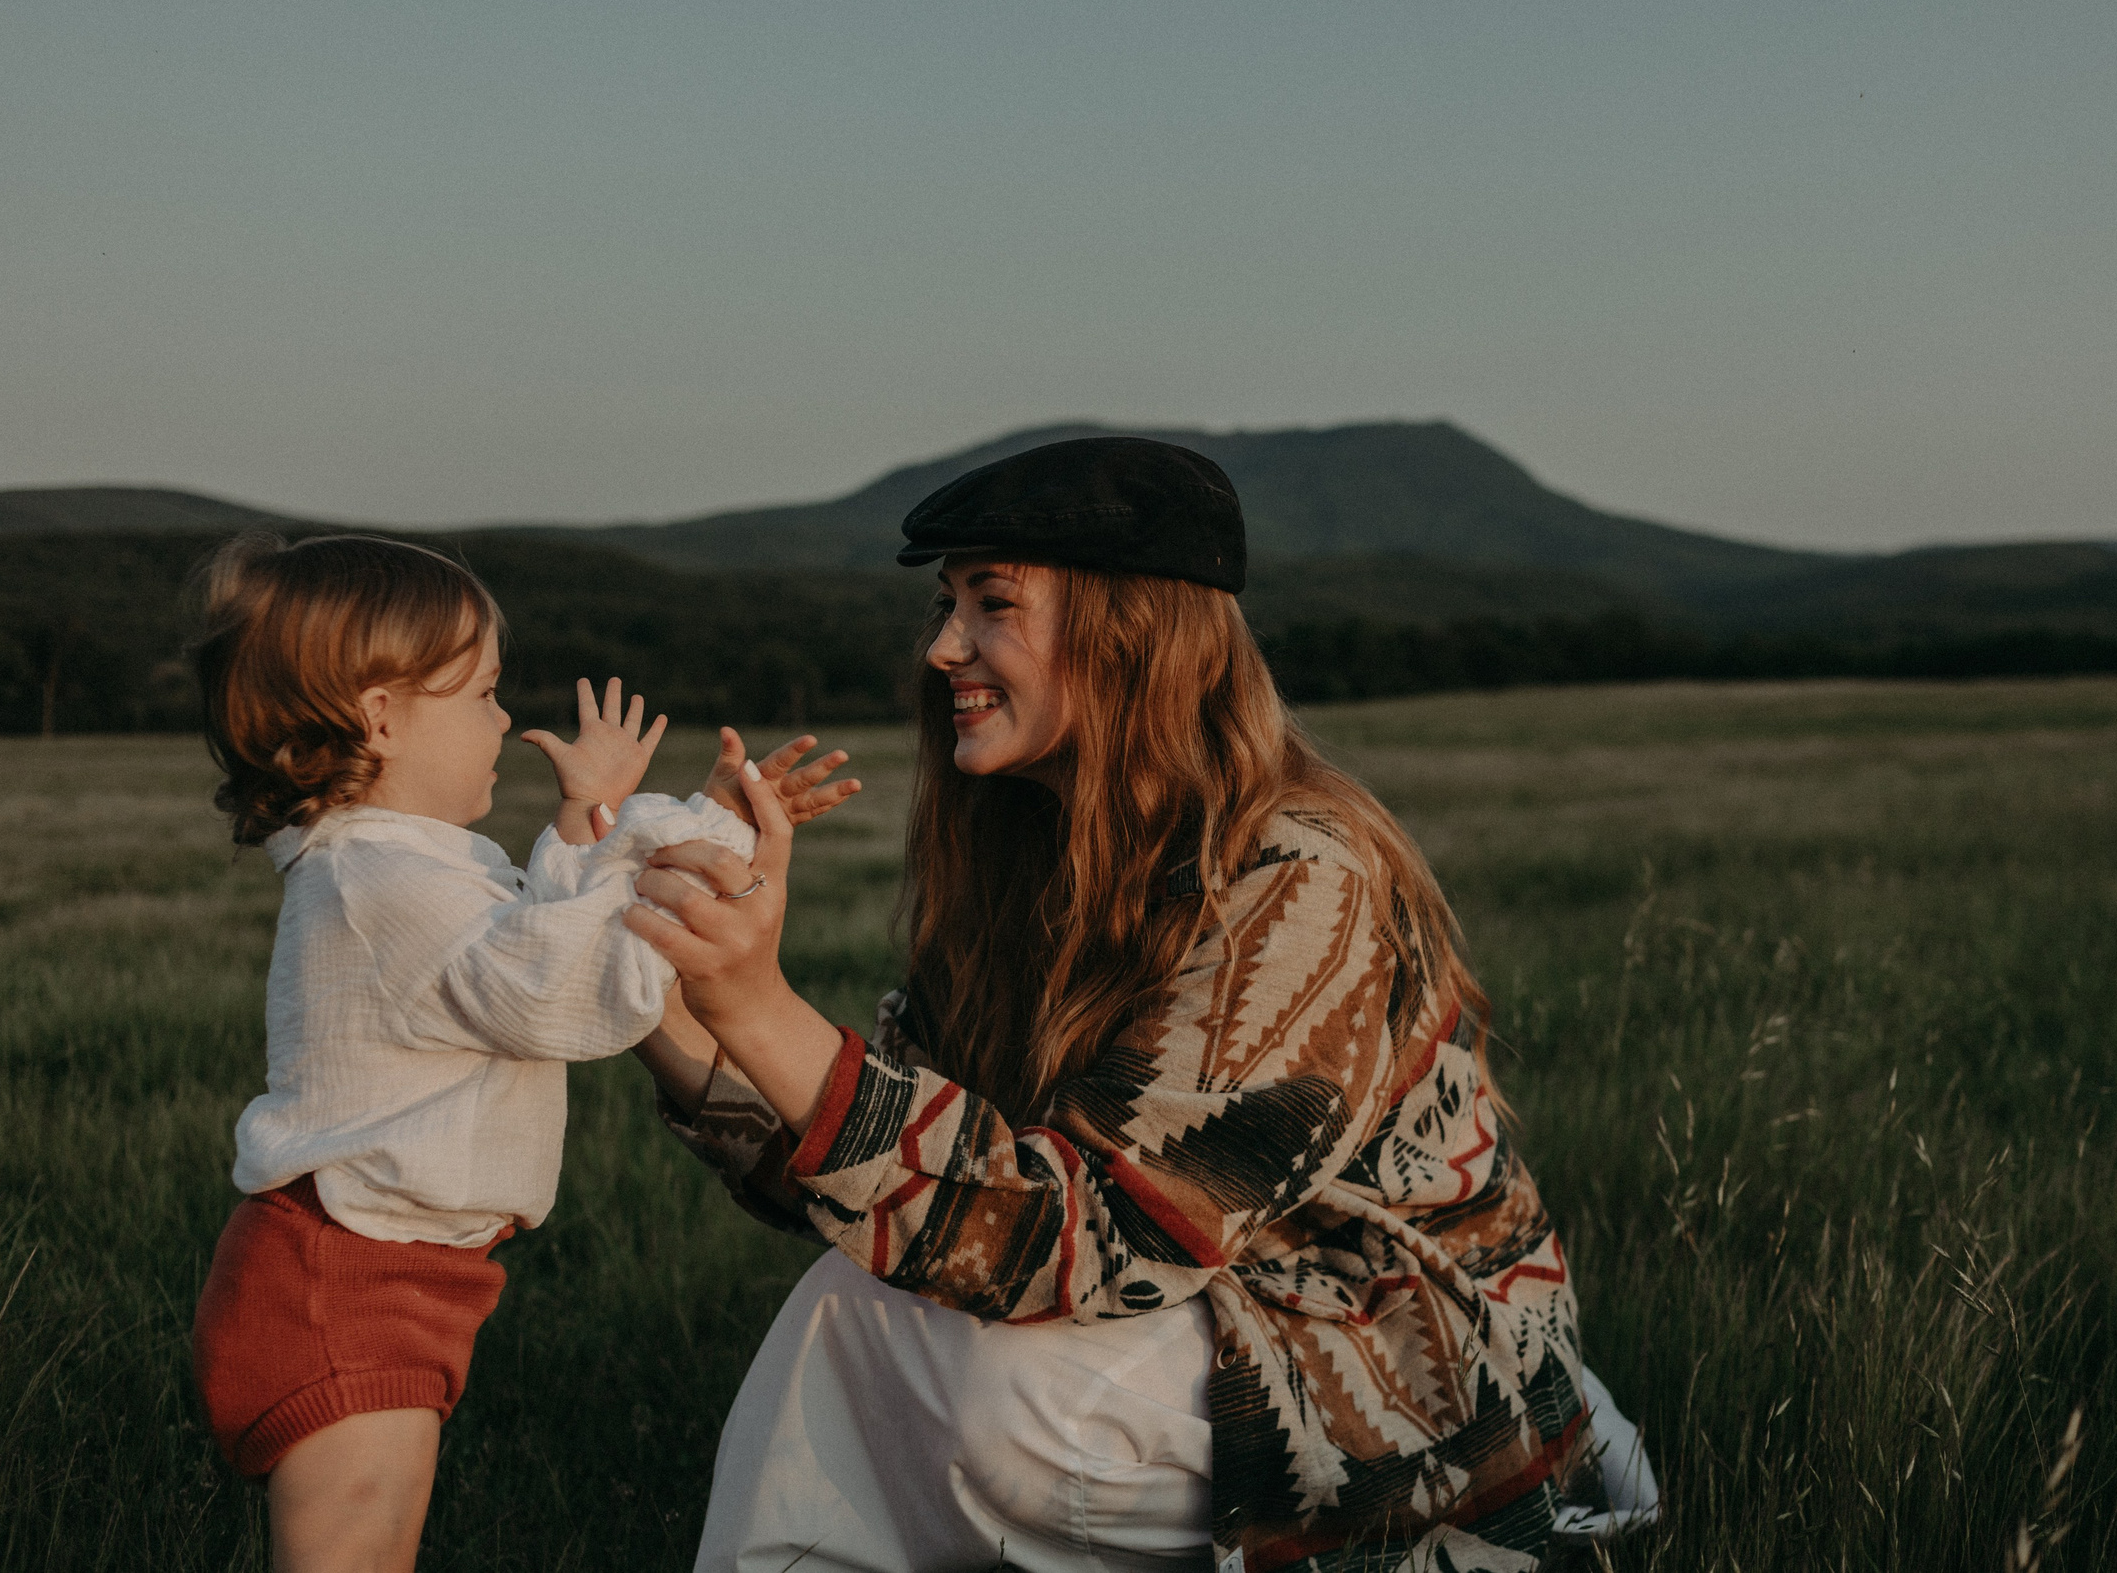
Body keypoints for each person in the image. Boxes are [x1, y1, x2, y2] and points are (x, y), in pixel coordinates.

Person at [626, 438, 1658, 1573]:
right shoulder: (1025, 863)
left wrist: (759, 1005)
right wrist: (656, 997)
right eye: (944, 605)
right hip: (1203, 1315)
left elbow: (1094, 1239)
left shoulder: (1300, 875)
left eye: (992, 604)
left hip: (1402, 1360)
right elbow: (898, 1190)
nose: (942, 648)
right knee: (867, 1303)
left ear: (1133, 634)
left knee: (972, 1384)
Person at [185, 531, 852, 1573]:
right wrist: (696, 838)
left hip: (388, 1271)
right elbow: (552, 991)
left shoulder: (408, 864)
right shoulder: (376, 880)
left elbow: (536, 932)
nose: (504, 719)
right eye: (484, 694)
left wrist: (609, 824)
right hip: (346, 1282)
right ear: (380, 717)